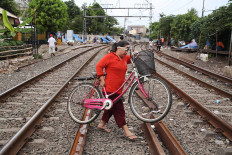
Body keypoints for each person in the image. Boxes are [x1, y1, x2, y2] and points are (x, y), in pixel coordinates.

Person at [96, 41, 137, 140]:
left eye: (128, 50)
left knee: (110, 107)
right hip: (110, 89)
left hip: (118, 89)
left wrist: (135, 54)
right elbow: (99, 66)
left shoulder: (124, 58)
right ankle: (126, 130)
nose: (127, 52)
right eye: (126, 49)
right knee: (119, 109)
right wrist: (101, 79)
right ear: (119, 48)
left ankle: (101, 124)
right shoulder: (110, 56)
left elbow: (131, 59)